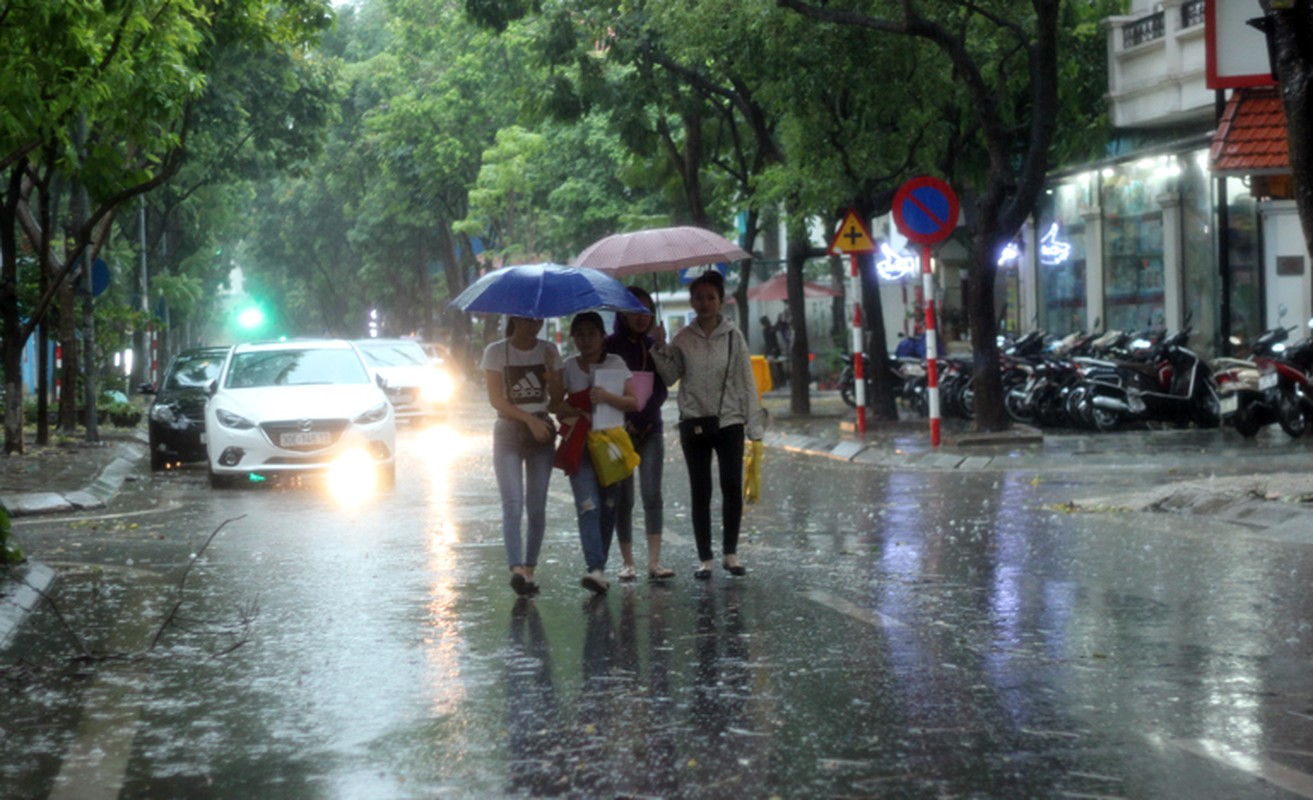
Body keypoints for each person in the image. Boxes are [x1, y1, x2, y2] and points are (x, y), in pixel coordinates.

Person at [652, 271, 763, 579]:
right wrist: (659, 348)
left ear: (720, 300)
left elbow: (746, 381)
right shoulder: (683, 338)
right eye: (699, 298)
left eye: (710, 297)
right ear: (692, 301)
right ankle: (706, 559)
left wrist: (755, 428)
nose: (704, 303)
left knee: (731, 486)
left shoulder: (733, 336)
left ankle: (731, 553)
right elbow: (669, 376)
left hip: (729, 422)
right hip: (694, 423)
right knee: (700, 490)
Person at [551, 312, 639, 594]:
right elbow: (555, 406)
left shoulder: (616, 364)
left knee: (609, 508)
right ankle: (596, 568)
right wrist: (576, 409)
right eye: (580, 334)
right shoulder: (568, 368)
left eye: (592, 333)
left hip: (610, 446)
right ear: (573, 338)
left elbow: (633, 402)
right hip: (581, 447)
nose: (586, 339)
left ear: (603, 337)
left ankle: (598, 567)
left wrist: (606, 398)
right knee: (588, 506)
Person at [482, 316, 563, 597]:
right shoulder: (495, 351)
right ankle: (515, 568)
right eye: (527, 319)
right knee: (512, 502)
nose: (534, 324)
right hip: (508, 432)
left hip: (541, 433)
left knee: (537, 505)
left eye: (538, 319)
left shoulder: (549, 351)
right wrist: (528, 419)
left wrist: (553, 374)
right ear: (514, 319)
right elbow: (496, 399)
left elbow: (555, 401)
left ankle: (529, 569)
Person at [604, 287, 675, 581]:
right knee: (624, 497)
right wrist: (627, 419)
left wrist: (660, 349)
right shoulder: (608, 347)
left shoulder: (653, 345)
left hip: (652, 430)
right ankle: (628, 562)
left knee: (652, 494)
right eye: (634, 310)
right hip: (620, 432)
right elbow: (606, 386)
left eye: (646, 311)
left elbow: (665, 386)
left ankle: (654, 562)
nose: (641, 317)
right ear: (622, 312)